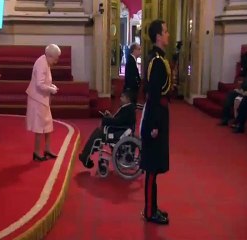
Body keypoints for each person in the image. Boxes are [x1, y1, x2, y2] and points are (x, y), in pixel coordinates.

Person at [139, 19, 171, 225]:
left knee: (155, 168)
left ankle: (154, 207)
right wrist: (154, 126)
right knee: (151, 169)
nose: (168, 34)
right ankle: (149, 212)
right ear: (158, 36)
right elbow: (152, 95)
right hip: (155, 117)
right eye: (166, 31)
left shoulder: (158, 58)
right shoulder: (156, 61)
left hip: (159, 114)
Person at [78, 89, 136, 168]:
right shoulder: (127, 108)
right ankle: (86, 155)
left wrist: (105, 120)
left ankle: (85, 156)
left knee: (97, 134)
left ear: (128, 99)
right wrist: (110, 117)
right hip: (119, 129)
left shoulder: (128, 109)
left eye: (122, 97)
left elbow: (119, 122)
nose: (120, 98)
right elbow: (120, 121)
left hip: (118, 133)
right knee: (97, 133)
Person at [26, 44, 61, 161]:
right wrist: (51, 89)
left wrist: (52, 86)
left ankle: (47, 149)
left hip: (43, 99)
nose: (57, 61)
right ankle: (36, 152)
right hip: (37, 99)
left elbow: (45, 81)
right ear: (50, 56)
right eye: (56, 58)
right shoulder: (41, 63)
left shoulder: (46, 61)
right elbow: (39, 84)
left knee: (48, 124)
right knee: (39, 127)